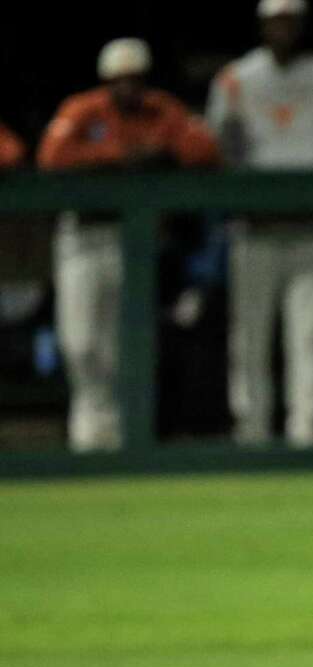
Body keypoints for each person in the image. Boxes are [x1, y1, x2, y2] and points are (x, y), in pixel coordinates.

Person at [38, 37, 219, 452]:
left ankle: (121, 433)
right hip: (81, 235)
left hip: (131, 238)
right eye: (120, 80)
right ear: (106, 81)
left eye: (136, 79)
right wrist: (117, 155)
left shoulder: (161, 110)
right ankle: (88, 431)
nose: (129, 88)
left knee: (125, 340)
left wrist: (164, 149)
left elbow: (204, 150)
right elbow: (51, 157)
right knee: (80, 340)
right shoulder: (83, 109)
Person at [206, 0, 313, 447]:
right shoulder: (236, 78)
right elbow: (221, 147)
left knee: (308, 337)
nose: (283, 28)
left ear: (302, 23)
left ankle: (304, 430)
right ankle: (251, 428)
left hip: (309, 226)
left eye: (290, 19)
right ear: (262, 23)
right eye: (275, 19)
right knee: (249, 336)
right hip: (254, 227)